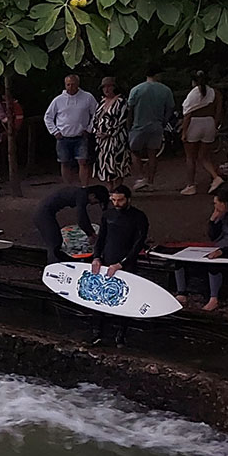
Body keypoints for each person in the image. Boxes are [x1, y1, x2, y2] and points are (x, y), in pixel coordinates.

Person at [173, 189, 228, 313]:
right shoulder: (223, 215)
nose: (214, 205)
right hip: (218, 247)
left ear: (224, 203)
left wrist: (223, 252)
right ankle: (181, 293)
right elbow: (213, 236)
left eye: (216, 203)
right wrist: (213, 220)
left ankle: (214, 298)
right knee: (180, 261)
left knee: (213, 265)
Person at [89, 184, 150, 346]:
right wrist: (96, 257)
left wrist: (122, 263)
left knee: (124, 298)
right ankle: (98, 333)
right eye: (114, 200)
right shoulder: (107, 215)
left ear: (128, 199)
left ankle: (121, 334)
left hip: (126, 263)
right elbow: (101, 238)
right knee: (99, 296)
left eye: (120, 200)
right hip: (107, 259)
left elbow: (138, 244)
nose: (117, 203)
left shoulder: (139, 217)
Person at [123, 66, 173, 192]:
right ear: (157, 75)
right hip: (156, 125)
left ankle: (140, 178)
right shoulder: (165, 90)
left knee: (134, 152)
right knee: (152, 154)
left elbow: (130, 109)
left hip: (138, 125)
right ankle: (150, 181)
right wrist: (164, 122)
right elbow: (170, 108)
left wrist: (128, 125)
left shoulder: (137, 89)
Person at [34, 184, 109, 264]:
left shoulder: (80, 192)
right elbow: (82, 218)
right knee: (54, 242)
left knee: (56, 240)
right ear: (92, 195)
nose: (92, 204)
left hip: (43, 211)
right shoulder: (82, 196)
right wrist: (90, 233)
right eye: (95, 201)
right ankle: (53, 265)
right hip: (43, 214)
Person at [44, 74, 97, 187]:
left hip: (81, 136)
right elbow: (48, 117)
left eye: (73, 84)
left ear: (78, 84)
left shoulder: (88, 97)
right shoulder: (58, 100)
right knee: (64, 163)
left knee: (83, 162)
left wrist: (89, 129)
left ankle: (84, 188)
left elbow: (96, 114)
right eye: (68, 84)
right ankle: (69, 189)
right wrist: (54, 131)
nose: (70, 87)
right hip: (63, 137)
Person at [179, 70, 224, 194]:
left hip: (194, 123)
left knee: (190, 157)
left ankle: (191, 185)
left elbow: (187, 114)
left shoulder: (193, 94)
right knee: (204, 156)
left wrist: (184, 131)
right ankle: (215, 177)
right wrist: (215, 125)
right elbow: (219, 111)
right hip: (209, 122)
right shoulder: (216, 93)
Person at [91, 76, 130, 186]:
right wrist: (96, 131)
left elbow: (121, 120)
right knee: (104, 165)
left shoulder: (121, 102)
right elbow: (95, 119)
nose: (106, 89)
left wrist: (108, 133)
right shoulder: (102, 102)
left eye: (109, 86)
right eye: (104, 87)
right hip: (102, 142)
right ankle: (109, 189)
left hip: (116, 139)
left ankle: (118, 188)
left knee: (117, 164)